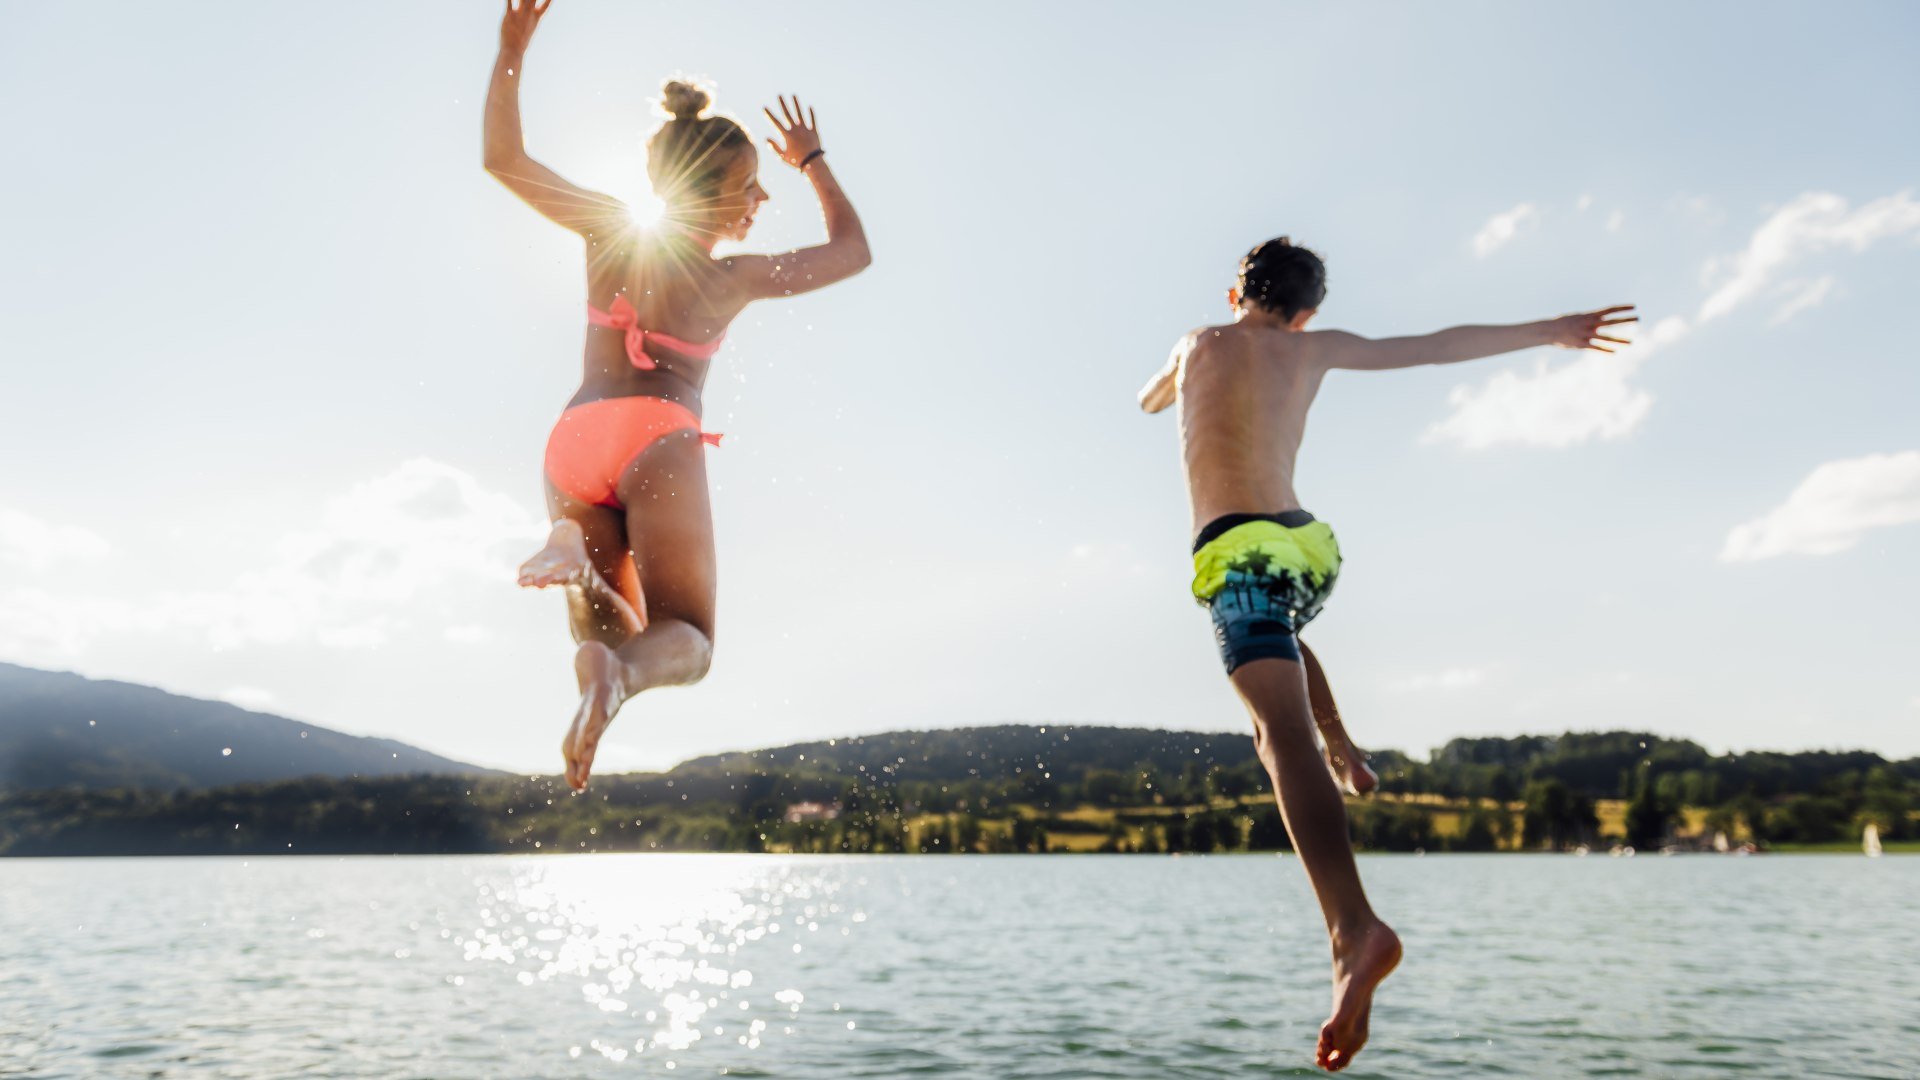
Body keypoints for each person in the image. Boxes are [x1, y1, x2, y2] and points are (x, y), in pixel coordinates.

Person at [1139, 236, 1633, 1072]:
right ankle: (1344, 747)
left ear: (1236, 293)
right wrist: (1554, 329)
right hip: (1310, 547)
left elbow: (1149, 400)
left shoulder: (1198, 343)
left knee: (1273, 737)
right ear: (1309, 314)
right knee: (1284, 642)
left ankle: (1354, 933)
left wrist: (1178, 373)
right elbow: (1436, 347)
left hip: (1237, 547)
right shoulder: (1317, 350)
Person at [483, 0, 871, 791]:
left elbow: (503, 159)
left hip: (572, 438)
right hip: (656, 435)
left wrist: (511, 48)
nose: (761, 202)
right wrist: (813, 159)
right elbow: (853, 251)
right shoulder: (736, 278)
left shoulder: (608, 230)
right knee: (685, 638)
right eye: (752, 187)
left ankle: (581, 573)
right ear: (711, 194)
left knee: (610, 625)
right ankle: (616, 681)